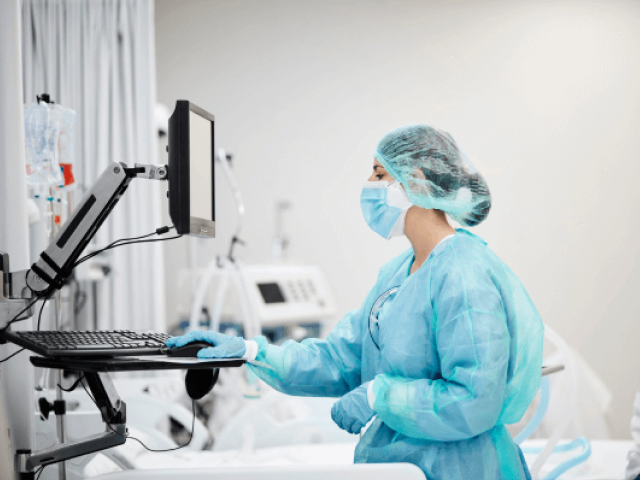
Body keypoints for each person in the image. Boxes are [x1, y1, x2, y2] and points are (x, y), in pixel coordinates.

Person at [167, 125, 544, 480]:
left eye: (379, 174)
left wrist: (380, 395)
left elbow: (475, 400)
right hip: (404, 468)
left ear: (414, 182)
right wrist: (249, 352)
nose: (369, 185)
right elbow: (339, 359)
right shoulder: (399, 274)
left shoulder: (464, 275)